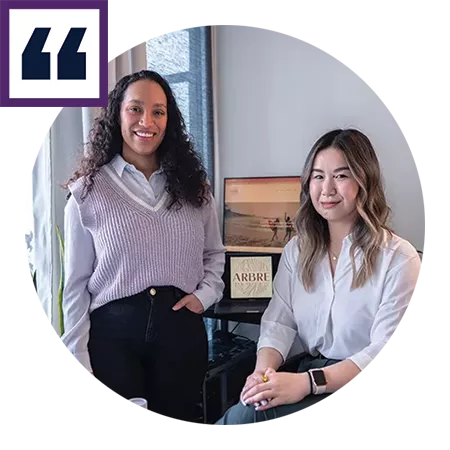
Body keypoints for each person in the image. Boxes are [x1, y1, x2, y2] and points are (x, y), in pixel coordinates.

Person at [215, 128, 422, 425]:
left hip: (351, 377)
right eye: (318, 176)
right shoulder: (297, 250)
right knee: (252, 401)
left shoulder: (398, 259)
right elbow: (279, 322)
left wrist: (308, 383)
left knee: (248, 418)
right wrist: (261, 375)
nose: (327, 189)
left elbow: (381, 351)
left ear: (365, 181)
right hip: (309, 370)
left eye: (341, 175)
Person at [60, 70, 226, 424]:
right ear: (117, 114)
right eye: (135, 109)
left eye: (158, 112)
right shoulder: (87, 193)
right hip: (112, 338)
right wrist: (78, 356)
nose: (146, 121)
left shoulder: (196, 189)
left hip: (180, 334)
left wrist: (205, 295)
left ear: (169, 120)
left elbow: (214, 254)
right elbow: (75, 284)